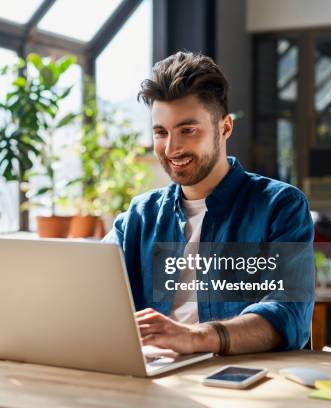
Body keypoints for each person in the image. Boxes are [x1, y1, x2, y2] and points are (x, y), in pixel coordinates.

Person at [103, 51, 314, 355]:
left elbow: (289, 316)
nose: (172, 148)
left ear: (225, 127)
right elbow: (90, 290)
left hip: (239, 382)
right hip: (154, 376)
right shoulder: (139, 216)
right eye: (161, 132)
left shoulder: (280, 205)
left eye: (188, 130)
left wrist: (194, 337)